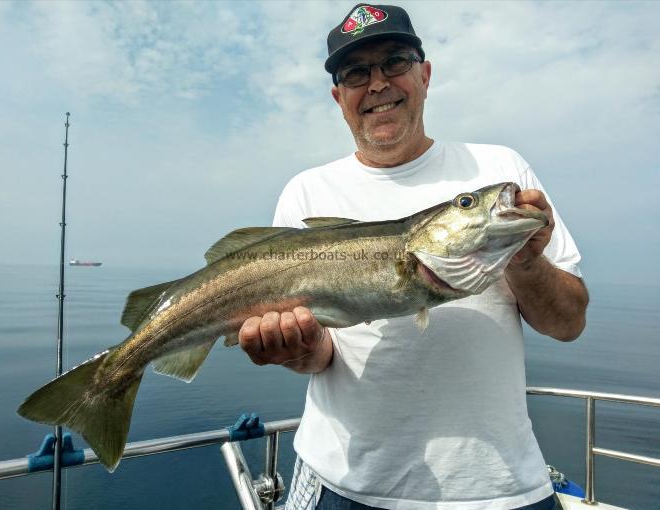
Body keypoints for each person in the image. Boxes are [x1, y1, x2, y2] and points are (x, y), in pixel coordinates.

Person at [238, 4, 589, 509]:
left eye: (395, 61)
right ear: (339, 97)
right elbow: (322, 356)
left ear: (424, 74)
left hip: (502, 488)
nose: (377, 83)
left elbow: (568, 324)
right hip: (345, 484)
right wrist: (297, 349)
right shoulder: (306, 192)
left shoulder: (500, 168)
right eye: (356, 72)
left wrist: (527, 261)